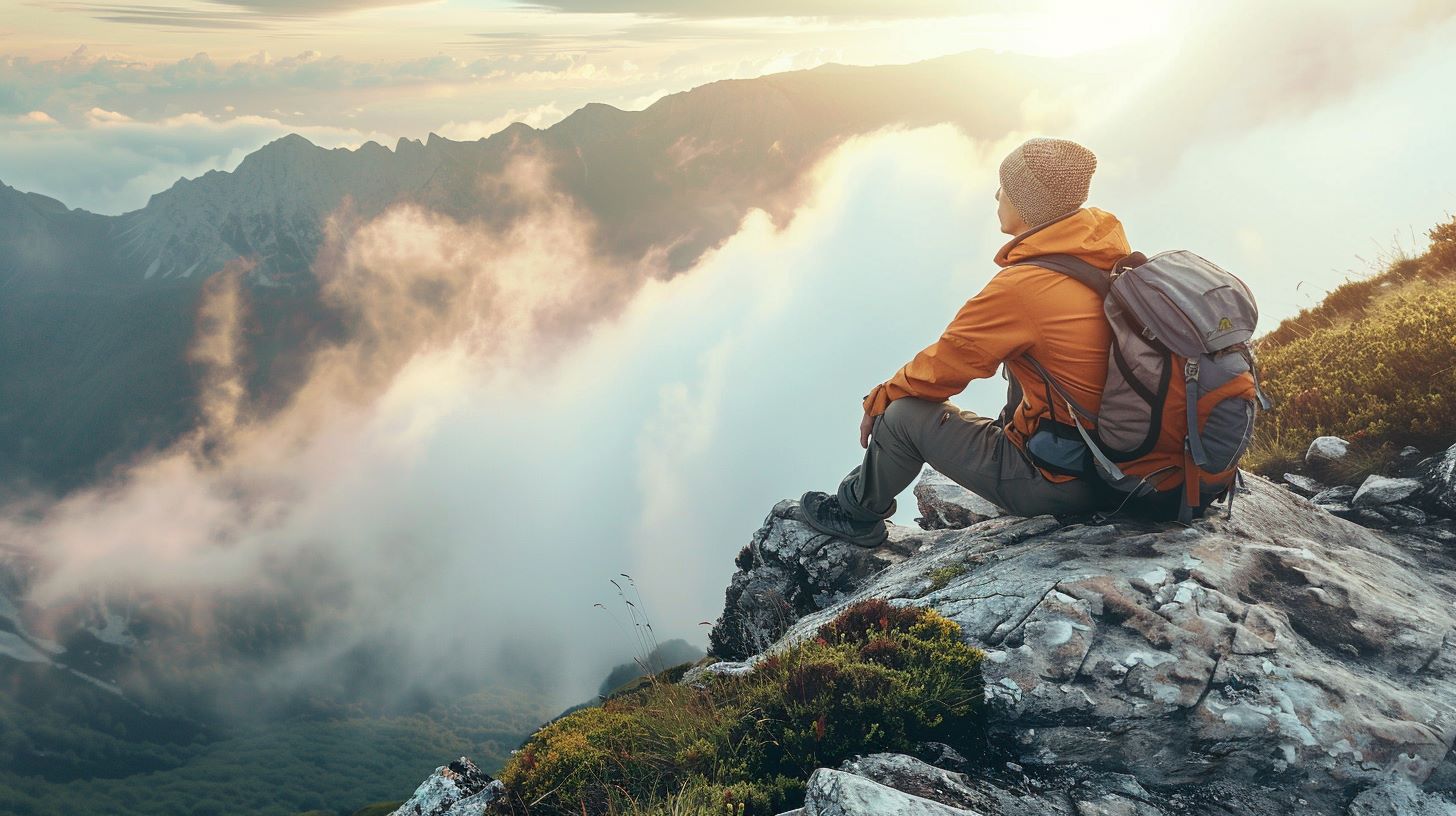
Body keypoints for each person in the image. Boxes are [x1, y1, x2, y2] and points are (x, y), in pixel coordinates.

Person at [798, 137, 1130, 547]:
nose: (996, 194)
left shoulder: (1024, 289)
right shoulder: (1102, 256)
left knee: (903, 416)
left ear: (1028, 203)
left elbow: (943, 367)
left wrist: (879, 399)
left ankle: (855, 512)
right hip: (1124, 470)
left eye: (1005, 186)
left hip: (1066, 482)